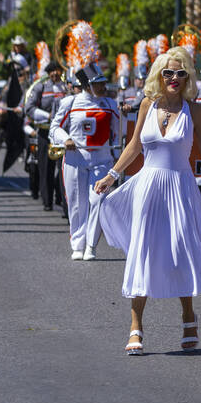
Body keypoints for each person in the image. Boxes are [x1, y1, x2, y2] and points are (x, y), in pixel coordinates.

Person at [94, 46, 201, 355]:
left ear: (188, 77)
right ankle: (135, 325)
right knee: (142, 249)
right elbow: (134, 146)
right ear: (159, 75)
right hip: (148, 186)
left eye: (181, 73)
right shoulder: (148, 104)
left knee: (179, 251)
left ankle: (188, 316)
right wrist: (111, 176)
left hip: (181, 187)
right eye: (168, 73)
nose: (174, 78)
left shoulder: (195, 110)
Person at [52, 64, 122, 261]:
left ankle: (91, 244)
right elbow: (55, 127)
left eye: (103, 83)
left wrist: (117, 153)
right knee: (76, 204)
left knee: (98, 200)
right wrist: (65, 139)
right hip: (75, 160)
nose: (103, 86)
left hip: (102, 159)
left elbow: (118, 129)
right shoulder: (70, 103)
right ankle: (78, 244)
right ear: (87, 85)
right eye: (98, 83)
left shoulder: (110, 103)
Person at [24, 61, 69, 211]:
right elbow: (29, 108)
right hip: (45, 132)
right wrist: (48, 116)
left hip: (63, 133)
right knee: (45, 168)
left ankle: (64, 203)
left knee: (63, 169)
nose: (55, 74)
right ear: (49, 73)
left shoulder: (66, 87)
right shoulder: (41, 87)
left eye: (58, 71)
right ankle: (47, 201)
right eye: (52, 71)